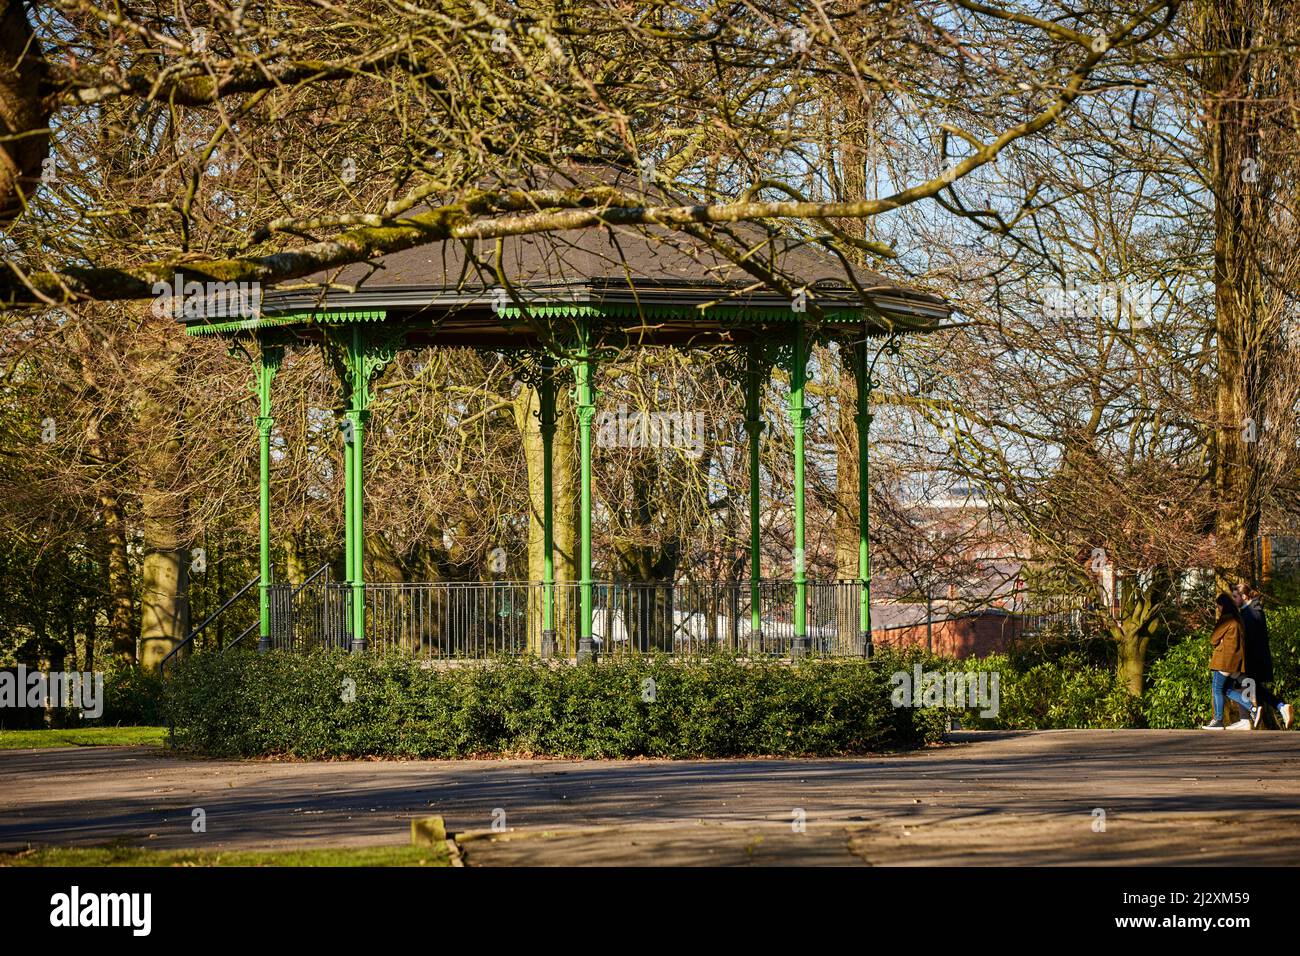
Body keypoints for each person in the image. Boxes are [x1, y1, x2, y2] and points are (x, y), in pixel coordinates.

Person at [1235, 583, 1293, 730]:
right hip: (1257, 658)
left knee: (1239, 682)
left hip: (1252, 658)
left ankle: (1246, 718)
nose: (1234, 600)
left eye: (1235, 597)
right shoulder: (1254, 609)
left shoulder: (1251, 612)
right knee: (1253, 687)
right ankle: (1280, 707)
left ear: (1244, 596)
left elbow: (1249, 638)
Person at [1203, 592, 1255, 730]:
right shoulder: (1238, 618)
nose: (1218, 609)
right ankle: (1252, 707)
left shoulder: (1226, 619)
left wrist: (1220, 641)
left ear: (1222, 605)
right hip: (1236, 662)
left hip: (1225, 660)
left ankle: (1218, 720)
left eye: (1218, 606)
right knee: (1226, 690)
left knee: (1216, 689)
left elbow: (1213, 639)